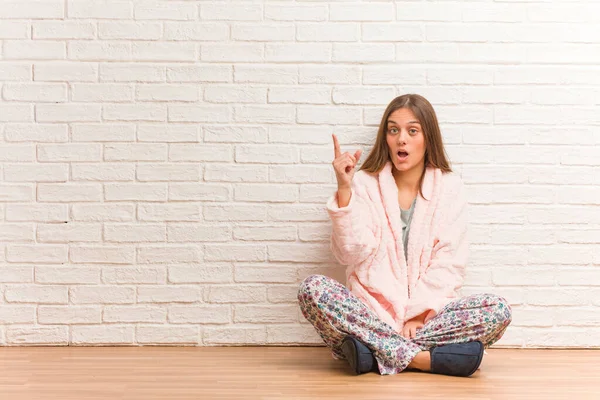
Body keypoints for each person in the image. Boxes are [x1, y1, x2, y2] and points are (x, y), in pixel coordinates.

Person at [297, 94, 512, 377]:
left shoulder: (450, 187)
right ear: (385, 136)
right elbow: (349, 252)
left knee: (497, 310)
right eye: (393, 129)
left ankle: (371, 354)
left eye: (412, 131)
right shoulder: (364, 183)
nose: (401, 139)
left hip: (426, 319)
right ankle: (423, 359)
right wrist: (345, 190)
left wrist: (418, 313)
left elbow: (450, 262)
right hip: (371, 314)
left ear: (428, 138)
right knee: (313, 289)